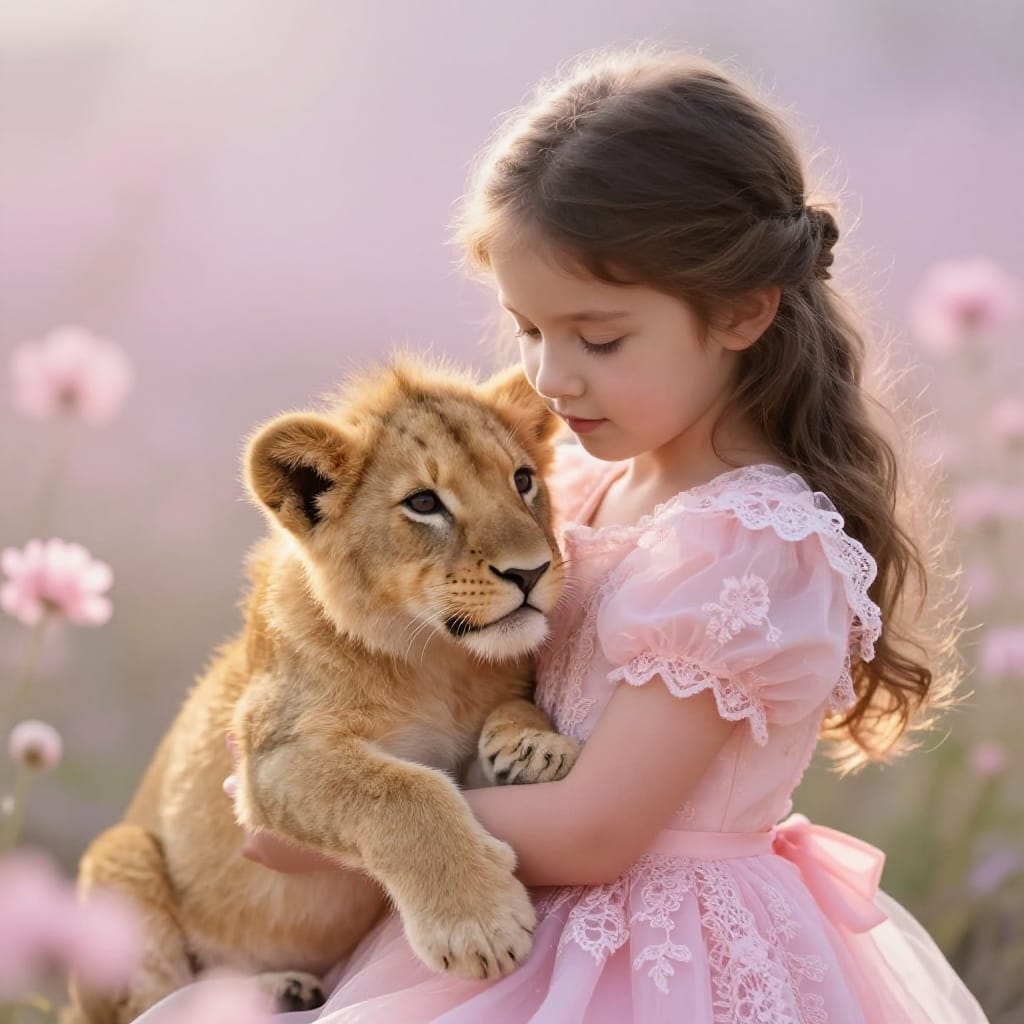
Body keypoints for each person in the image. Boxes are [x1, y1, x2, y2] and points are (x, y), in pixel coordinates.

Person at [143, 46, 989, 1023]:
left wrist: (360, 824)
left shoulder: (749, 545)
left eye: (598, 337)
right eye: (527, 329)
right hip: (503, 914)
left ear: (744, 309)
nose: (549, 377)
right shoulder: (573, 481)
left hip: (656, 964)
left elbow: (595, 832)